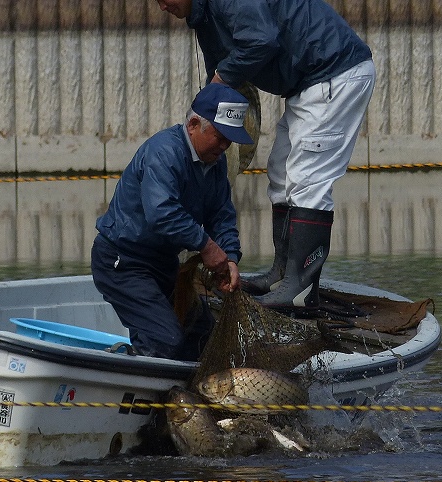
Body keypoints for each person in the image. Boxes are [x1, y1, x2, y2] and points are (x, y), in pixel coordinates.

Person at [156, 0, 375, 308]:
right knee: (281, 173)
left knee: (307, 179)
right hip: (307, 84)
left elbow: (260, 40)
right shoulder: (204, 18)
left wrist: (222, 76)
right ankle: (282, 274)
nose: (162, 5)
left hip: (335, 71)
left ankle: (300, 291)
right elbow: (218, 85)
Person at [91, 82, 253, 361]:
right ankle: (128, 371)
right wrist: (206, 246)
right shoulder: (163, 153)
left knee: (203, 338)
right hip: (123, 262)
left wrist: (230, 259)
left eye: (231, 140)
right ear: (193, 124)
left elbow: (221, 214)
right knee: (166, 341)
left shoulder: (216, 161)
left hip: (163, 265)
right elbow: (162, 213)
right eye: (220, 136)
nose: (225, 146)